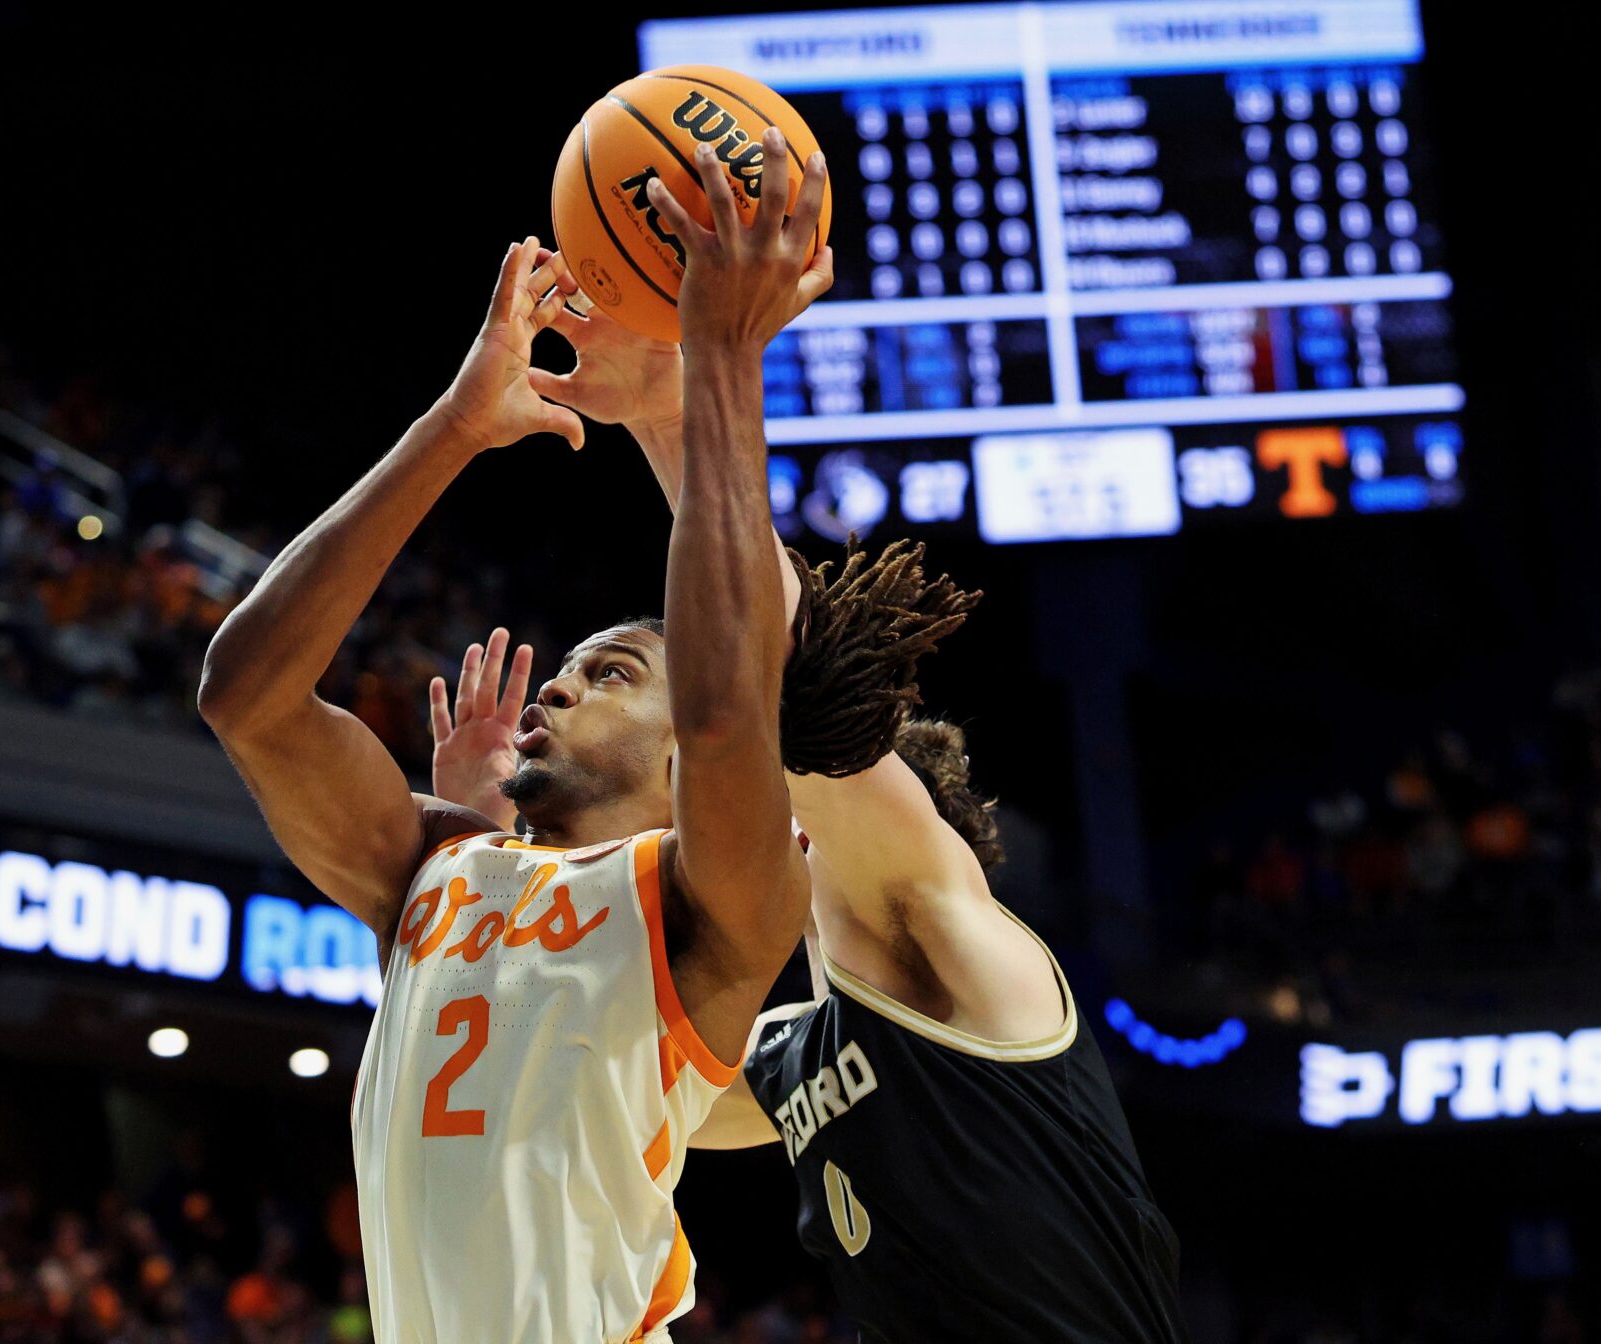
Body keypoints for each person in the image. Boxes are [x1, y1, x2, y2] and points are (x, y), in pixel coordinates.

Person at [203, 134, 951, 1342]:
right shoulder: (432, 875)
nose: (554, 688)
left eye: (608, 672)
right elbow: (246, 696)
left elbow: (723, 711)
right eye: (566, 670)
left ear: (677, 770)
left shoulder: (723, 902)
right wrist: (455, 426)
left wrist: (716, 361)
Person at [428, 221, 1189, 1339]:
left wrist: (674, 406)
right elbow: (580, 1082)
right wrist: (481, 848)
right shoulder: (797, 1048)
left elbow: (775, 678)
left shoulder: (948, 940)